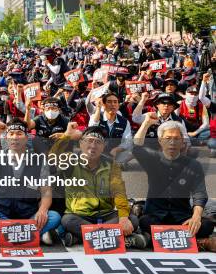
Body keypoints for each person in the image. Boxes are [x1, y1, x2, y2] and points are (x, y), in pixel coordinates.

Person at [51, 125, 146, 248]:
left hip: (106, 214)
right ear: (81, 143)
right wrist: (67, 135)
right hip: (79, 215)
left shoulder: (111, 165)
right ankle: (120, 239)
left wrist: (123, 217)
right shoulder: (70, 160)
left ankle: (81, 237)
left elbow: (119, 191)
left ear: (103, 147)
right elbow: (52, 158)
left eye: (98, 142)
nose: (93, 145)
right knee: (67, 221)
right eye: (89, 141)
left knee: (132, 219)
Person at [133, 118, 215, 252]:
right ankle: (196, 242)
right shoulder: (152, 158)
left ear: (183, 142)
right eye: (167, 138)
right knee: (145, 222)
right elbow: (136, 147)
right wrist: (146, 123)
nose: (172, 142)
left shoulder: (194, 165)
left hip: (182, 215)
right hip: (155, 215)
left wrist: (196, 217)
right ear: (160, 141)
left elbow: (199, 193)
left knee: (207, 225)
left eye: (177, 138)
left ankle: (154, 240)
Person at [0, 119, 61, 246]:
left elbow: (46, 191)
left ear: (26, 138)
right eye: (11, 134)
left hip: (29, 214)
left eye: (19, 133)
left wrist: (42, 210)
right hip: (4, 214)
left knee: (54, 216)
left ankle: (1, 236)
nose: (15, 137)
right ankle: (34, 235)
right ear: (6, 138)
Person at [88, 92, 133, 163]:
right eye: (109, 102)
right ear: (104, 105)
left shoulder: (124, 121)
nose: (113, 104)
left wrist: (117, 149)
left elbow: (128, 141)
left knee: (134, 145)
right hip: (96, 151)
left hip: (115, 152)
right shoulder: (95, 117)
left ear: (118, 105)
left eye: (115, 102)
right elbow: (91, 131)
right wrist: (98, 108)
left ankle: (119, 163)